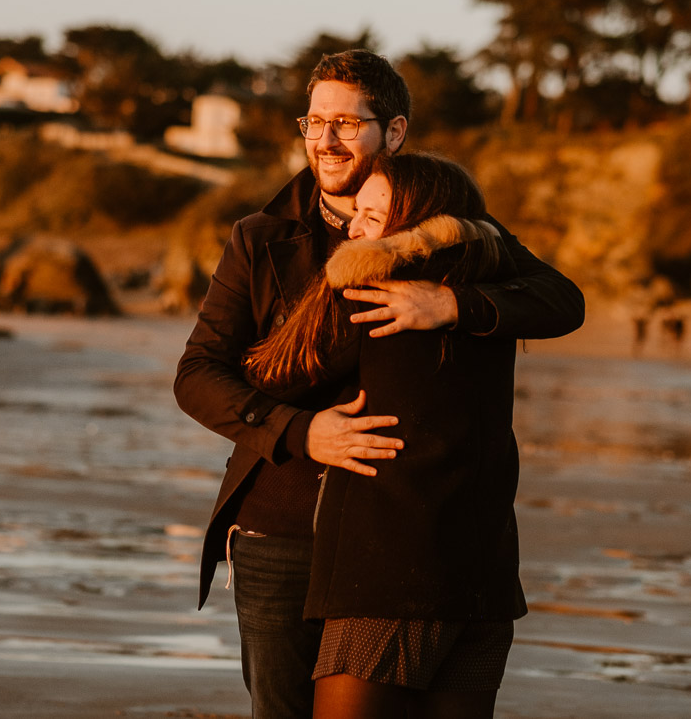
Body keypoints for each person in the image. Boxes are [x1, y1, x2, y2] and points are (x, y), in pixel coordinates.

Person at [173, 50, 585, 719]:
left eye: (346, 123)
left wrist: (452, 305)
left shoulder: (441, 226)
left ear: (392, 132)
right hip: (280, 527)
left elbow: (559, 298)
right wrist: (302, 431)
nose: (326, 140)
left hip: (400, 539)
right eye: (313, 121)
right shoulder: (259, 238)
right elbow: (197, 375)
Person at [244, 152, 525, 718]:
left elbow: (272, 372)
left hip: (388, 576)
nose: (352, 228)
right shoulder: (497, 295)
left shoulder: (372, 293)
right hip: (485, 576)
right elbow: (563, 297)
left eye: (372, 219)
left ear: (413, 231)